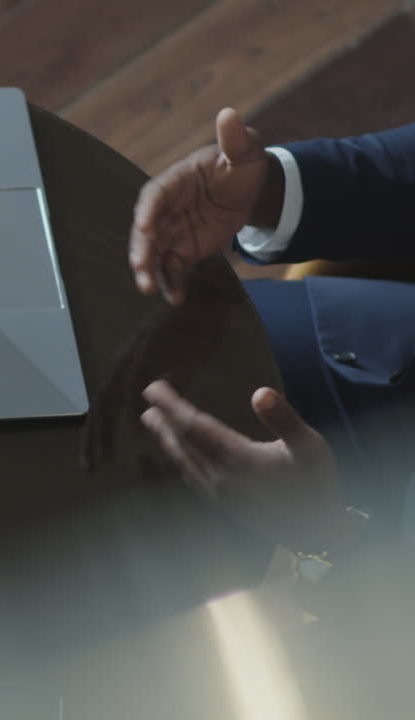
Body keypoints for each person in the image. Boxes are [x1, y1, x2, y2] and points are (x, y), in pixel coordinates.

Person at [126, 108, 415, 565]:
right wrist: (269, 192)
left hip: (381, 550)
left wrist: (327, 531)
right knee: (118, 339)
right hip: (385, 337)